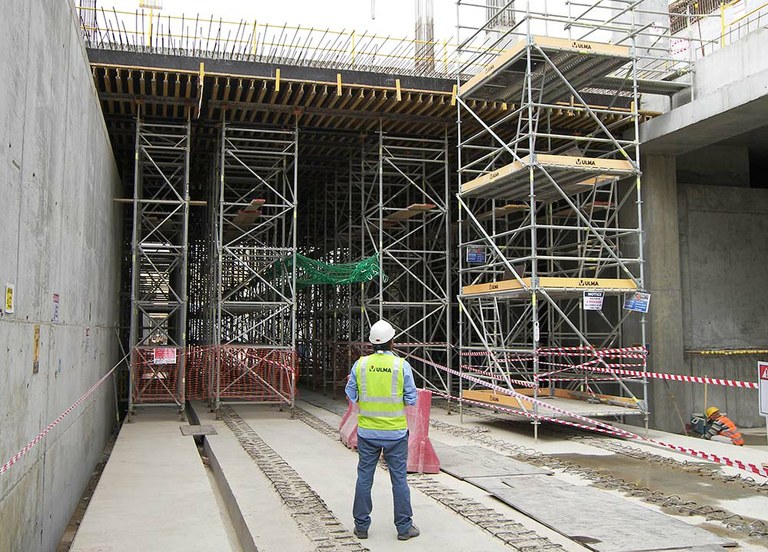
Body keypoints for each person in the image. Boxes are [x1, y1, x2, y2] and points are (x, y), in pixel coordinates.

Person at [345, 320, 420, 541]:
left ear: (371, 343)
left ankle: (361, 527)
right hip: (395, 433)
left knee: (364, 478)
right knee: (399, 480)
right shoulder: (401, 365)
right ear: (392, 341)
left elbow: (351, 393)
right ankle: (404, 528)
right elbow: (411, 398)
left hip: (367, 432)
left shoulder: (360, 365)